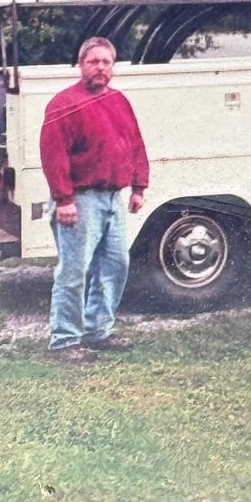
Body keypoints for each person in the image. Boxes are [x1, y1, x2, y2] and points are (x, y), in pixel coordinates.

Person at [40, 36, 149, 362]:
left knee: (115, 266)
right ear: (81, 65)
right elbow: (53, 155)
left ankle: (98, 331)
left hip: (113, 199)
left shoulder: (119, 101)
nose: (100, 67)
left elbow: (135, 143)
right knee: (74, 272)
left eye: (106, 62)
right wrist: (64, 200)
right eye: (93, 62)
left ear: (113, 67)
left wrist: (139, 186)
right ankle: (64, 341)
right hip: (79, 201)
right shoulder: (64, 103)